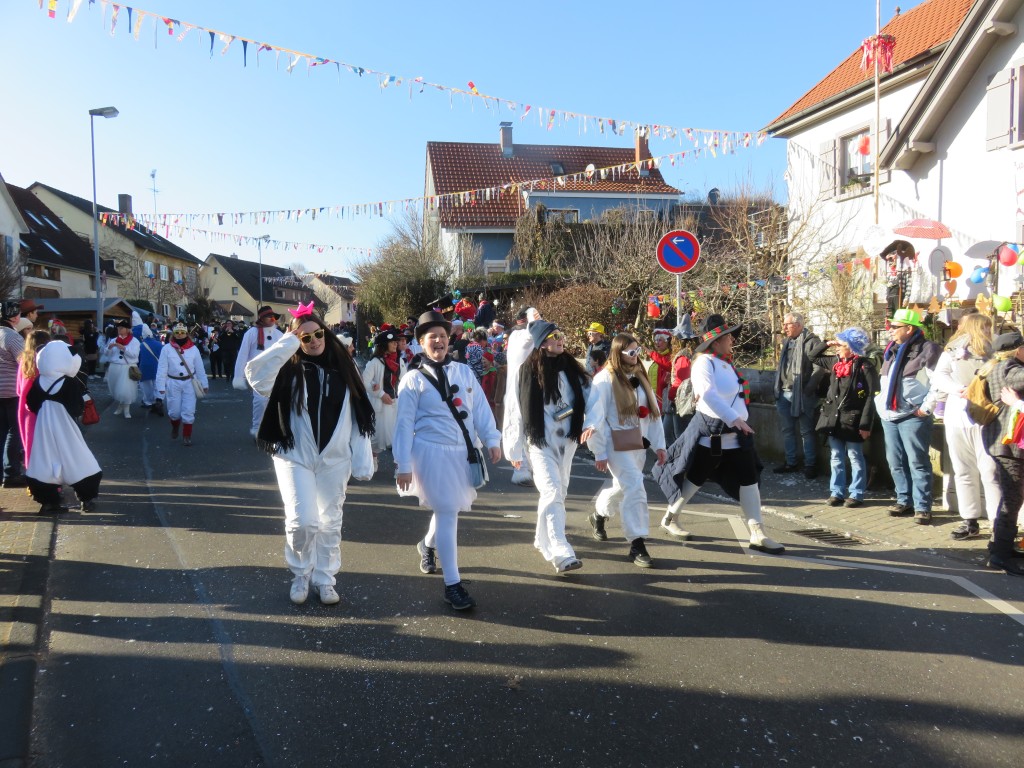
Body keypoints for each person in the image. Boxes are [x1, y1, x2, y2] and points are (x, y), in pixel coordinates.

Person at [245, 304, 376, 604]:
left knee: (330, 522)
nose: (314, 340)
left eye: (318, 334)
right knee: (302, 521)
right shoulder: (286, 370)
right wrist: (290, 340)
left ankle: (325, 578)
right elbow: (255, 376)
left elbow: (359, 414)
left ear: (327, 334)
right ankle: (301, 573)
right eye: (306, 337)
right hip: (295, 455)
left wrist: (361, 457)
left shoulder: (345, 367)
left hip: (334, 458)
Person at [394, 310, 501, 610]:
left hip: (462, 453)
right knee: (448, 513)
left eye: (442, 335)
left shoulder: (464, 372)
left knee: (447, 509)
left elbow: (479, 408)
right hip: (431, 455)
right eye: (432, 337)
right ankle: (452, 585)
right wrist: (403, 465)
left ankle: (427, 545)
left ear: (448, 338)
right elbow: (403, 425)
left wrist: (492, 439)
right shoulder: (412, 380)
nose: (438, 341)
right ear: (421, 343)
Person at [655, 314, 785, 554]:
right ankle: (671, 518)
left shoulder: (725, 363)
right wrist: (734, 418)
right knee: (694, 481)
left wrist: (739, 420)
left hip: (738, 437)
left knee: (750, 481)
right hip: (712, 437)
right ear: (716, 341)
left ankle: (758, 532)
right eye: (728, 337)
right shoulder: (704, 363)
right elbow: (707, 394)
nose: (732, 341)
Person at [505, 319, 591, 573]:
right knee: (552, 491)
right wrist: (514, 447)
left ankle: (541, 538)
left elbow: (593, 399)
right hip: (540, 442)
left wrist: (594, 426)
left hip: (568, 441)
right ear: (542, 344)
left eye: (560, 334)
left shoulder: (573, 370)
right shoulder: (527, 371)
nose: (559, 339)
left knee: (558, 492)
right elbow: (515, 409)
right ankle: (561, 549)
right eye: (553, 336)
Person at [584, 333, 667, 567]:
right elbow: (595, 417)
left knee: (624, 487)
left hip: (637, 443)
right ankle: (637, 542)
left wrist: (659, 444)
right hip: (614, 443)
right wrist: (599, 451)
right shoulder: (605, 380)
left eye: (638, 351)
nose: (636, 356)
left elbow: (652, 412)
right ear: (618, 353)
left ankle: (598, 515)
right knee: (636, 487)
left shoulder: (640, 375)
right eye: (631, 352)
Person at [928, 313, 1000, 539]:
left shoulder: (994, 349)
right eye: (984, 326)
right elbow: (939, 376)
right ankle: (969, 519)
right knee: (962, 469)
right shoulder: (953, 349)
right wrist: (957, 388)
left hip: (987, 416)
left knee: (990, 470)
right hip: (958, 414)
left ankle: (998, 522)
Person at [874, 308, 942, 524]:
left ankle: (922, 506)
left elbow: (938, 383)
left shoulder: (928, 349)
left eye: (895, 326)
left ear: (909, 328)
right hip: (889, 415)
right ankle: (904, 500)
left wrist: (926, 408)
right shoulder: (891, 349)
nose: (890, 330)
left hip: (913, 414)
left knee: (917, 461)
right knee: (895, 461)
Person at [25, 341, 102, 513]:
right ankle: (87, 499)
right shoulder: (68, 382)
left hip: (44, 426)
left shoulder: (39, 381)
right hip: (65, 425)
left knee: (44, 460)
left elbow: (30, 403)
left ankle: (48, 502)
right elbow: (76, 407)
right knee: (77, 457)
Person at [815, 327, 878, 508]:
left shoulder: (865, 366)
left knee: (855, 457)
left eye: (841, 345)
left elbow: (869, 397)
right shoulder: (835, 363)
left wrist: (865, 424)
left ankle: (857, 493)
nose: (837, 348)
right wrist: (827, 343)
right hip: (834, 420)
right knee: (836, 456)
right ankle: (837, 492)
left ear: (851, 348)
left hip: (853, 420)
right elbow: (812, 356)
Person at [981, 330, 1024, 576]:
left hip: (1003, 443)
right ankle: (1000, 555)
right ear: (1017, 350)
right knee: (1012, 498)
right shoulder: (1009, 368)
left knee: (1012, 496)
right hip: (1007, 444)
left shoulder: (997, 366)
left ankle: (999, 546)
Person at [773, 312, 829, 478]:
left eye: (787, 324)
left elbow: (819, 368)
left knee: (806, 431)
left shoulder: (812, 342)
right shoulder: (787, 342)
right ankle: (791, 463)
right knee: (787, 430)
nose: (783, 328)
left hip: (803, 395)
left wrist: (807, 390)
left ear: (797, 325)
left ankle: (810, 465)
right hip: (783, 393)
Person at [502, 307, 541, 486]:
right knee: (520, 427)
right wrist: (533, 313)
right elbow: (531, 334)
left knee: (529, 429)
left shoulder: (523, 337)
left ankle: (530, 468)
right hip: (519, 389)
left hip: (530, 387)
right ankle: (521, 469)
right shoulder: (519, 337)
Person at [155, 322, 209, 446]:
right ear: (173, 334)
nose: (180, 335)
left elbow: (200, 368)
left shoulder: (194, 349)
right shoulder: (166, 349)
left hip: (189, 382)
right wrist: (160, 387)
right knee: (174, 412)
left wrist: (204, 384)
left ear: (186, 334)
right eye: (177, 332)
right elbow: (162, 369)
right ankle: (175, 425)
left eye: (182, 332)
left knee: (188, 410)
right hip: (173, 382)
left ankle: (187, 435)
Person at [233, 306, 284, 437]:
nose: (273, 319)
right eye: (269, 316)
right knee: (260, 402)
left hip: (275, 374)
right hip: (258, 375)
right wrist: (239, 376)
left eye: (274, 317)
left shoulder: (279, 334)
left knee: (276, 403)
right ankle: (258, 429)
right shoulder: (251, 333)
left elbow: (286, 354)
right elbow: (243, 355)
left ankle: (273, 429)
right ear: (261, 318)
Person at [361, 327, 404, 472]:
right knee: (377, 438)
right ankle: (373, 459)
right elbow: (365, 381)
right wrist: (380, 393)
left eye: (395, 342)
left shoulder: (400, 361)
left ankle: (400, 466)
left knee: (398, 437)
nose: (395, 345)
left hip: (395, 404)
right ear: (384, 345)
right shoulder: (374, 362)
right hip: (380, 406)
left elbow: (403, 381)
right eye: (392, 342)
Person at [0, 301, 26, 488]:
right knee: (14, 432)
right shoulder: (12, 337)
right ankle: (11, 473)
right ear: (15, 317)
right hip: (11, 391)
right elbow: (24, 364)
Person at [17, 330, 50, 471]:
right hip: (47, 406)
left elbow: (19, 389)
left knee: (30, 444)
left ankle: (33, 480)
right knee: (48, 445)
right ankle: (50, 481)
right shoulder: (47, 360)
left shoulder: (24, 361)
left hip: (26, 408)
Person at [103, 319, 140, 418]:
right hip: (115, 366)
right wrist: (109, 348)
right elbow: (106, 354)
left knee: (126, 390)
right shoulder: (114, 340)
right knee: (116, 388)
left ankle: (126, 410)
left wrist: (124, 348)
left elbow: (134, 355)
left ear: (127, 329)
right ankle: (120, 406)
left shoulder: (134, 341)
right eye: (118, 328)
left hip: (127, 367)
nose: (119, 329)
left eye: (121, 328)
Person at [136, 322, 164, 416]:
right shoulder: (159, 344)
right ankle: (158, 400)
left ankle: (149, 401)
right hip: (157, 367)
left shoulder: (140, 345)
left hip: (144, 368)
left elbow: (138, 358)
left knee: (146, 386)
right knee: (157, 385)